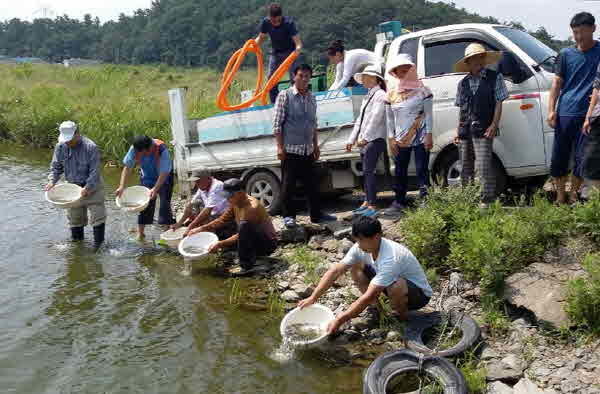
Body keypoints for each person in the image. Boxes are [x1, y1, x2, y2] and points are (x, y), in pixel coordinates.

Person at [298, 216, 432, 334]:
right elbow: (335, 270)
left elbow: (368, 295)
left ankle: (402, 319)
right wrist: (313, 297)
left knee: (396, 286)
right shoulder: (360, 247)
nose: (358, 244)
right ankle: (377, 310)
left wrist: (339, 320)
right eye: (356, 240)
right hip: (389, 282)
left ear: (376, 237)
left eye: (361, 240)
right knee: (356, 267)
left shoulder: (391, 257)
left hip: (418, 295)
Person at [273, 63, 338, 228]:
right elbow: (277, 125)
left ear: (310, 79)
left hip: (308, 150)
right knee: (288, 185)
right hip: (290, 149)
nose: (303, 79)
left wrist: (316, 146)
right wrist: (280, 148)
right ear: (294, 77)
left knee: (312, 185)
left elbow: (313, 123)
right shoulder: (284, 96)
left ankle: (316, 215)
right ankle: (288, 217)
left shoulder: (311, 97)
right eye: (300, 75)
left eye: (307, 76)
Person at [548, 12, 600, 204]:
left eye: (583, 32)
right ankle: (560, 196)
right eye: (575, 32)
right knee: (559, 158)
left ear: (593, 29)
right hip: (565, 113)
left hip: (588, 116)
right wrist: (551, 110)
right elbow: (556, 83)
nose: (579, 37)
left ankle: (573, 195)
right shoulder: (565, 54)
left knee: (582, 159)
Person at [454, 43, 508, 207]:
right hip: (465, 129)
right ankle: (467, 199)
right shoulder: (462, 83)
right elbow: (461, 109)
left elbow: (499, 103)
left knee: (484, 166)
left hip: (484, 127)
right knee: (465, 166)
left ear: (484, 59)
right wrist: (458, 130)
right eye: (473, 59)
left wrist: (494, 125)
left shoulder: (494, 77)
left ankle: (487, 200)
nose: (477, 61)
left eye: (479, 57)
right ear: (468, 62)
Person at [189, 179, 278, 277]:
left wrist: (220, 244)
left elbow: (241, 235)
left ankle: (247, 266)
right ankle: (241, 253)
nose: (228, 199)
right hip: (251, 237)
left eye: (230, 196)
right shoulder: (235, 203)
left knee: (243, 226)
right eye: (226, 197)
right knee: (224, 226)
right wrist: (201, 228)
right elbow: (222, 220)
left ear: (240, 193)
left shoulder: (252, 208)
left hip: (267, 243)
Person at [385, 54, 434, 214]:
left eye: (406, 70)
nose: (403, 73)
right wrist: (391, 138)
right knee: (400, 170)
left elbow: (428, 114)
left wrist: (429, 134)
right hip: (400, 139)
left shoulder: (423, 90)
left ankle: (426, 200)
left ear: (412, 70)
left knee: (422, 169)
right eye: (400, 71)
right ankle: (399, 201)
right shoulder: (391, 93)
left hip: (420, 136)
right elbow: (389, 119)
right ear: (395, 72)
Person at [45, 121, 106, 247]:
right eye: (66, 140)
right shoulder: (60, 147)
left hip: (92, 187)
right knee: (75, 219)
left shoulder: (91, 147)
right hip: (72, 187)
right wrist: (52, 181)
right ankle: (78, 248)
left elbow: (95, 172)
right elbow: (56, 167)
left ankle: (98, 247)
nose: (68, 142)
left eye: (70, 140)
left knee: (97, 216)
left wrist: (87, 187)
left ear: (77, 134)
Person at [346, 63, 388, 217]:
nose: (362, 80)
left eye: (365, 77)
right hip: (367, 139)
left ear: (373, 79)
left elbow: (376, 118)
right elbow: (360, 120)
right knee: (366, 171)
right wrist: (352, 138)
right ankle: (367, 201)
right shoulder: (368, 95)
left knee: (369, 171)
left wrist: (365, 138)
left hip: (375, 139)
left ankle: (372, 204)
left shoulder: (380, 95)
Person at [115, 135, 175, 238]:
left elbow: (164, 173)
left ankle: (166, 234)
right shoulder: (135, 148)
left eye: (144, 153)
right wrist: (121, 186)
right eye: (140, 153)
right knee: (144, 204)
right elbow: (127, 167)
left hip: (164, 178)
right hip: (147, 177)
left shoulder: (162, 150)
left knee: (164, 205)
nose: (142, 155)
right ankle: (141, 234)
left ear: (150, 148)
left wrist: (155, 189)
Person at [255, 3, 303, 103]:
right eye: (273, 20)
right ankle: (275, 103)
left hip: (291, 53)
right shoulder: (266, 22)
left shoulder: (288, 23)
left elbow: (298, 42)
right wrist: (251, 46)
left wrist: (298, 49)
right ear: (269, 17)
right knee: (271, 79)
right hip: (276, 53)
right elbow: (261, 37)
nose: (276, 23)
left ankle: (296, 101)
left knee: (295, 78)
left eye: (278, 20)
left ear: (281, 16)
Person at [170, 170, 234, 239]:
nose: (196, 184)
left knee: (201, 223)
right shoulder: (203, 186)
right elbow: (190, 205)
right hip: (213, 214)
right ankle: (204, 230)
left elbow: (207, 211)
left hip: (225, 216)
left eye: (198, 181)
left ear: (207, 178)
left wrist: (190, 227)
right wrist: (179, 223)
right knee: (194, 206)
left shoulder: (217, 186)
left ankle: (216, 236)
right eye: (195, 181)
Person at [582, 61, 600, 195]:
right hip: (598, 116)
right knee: (591, 159)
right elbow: (597, 87)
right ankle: (595, 204)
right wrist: (589, 114)